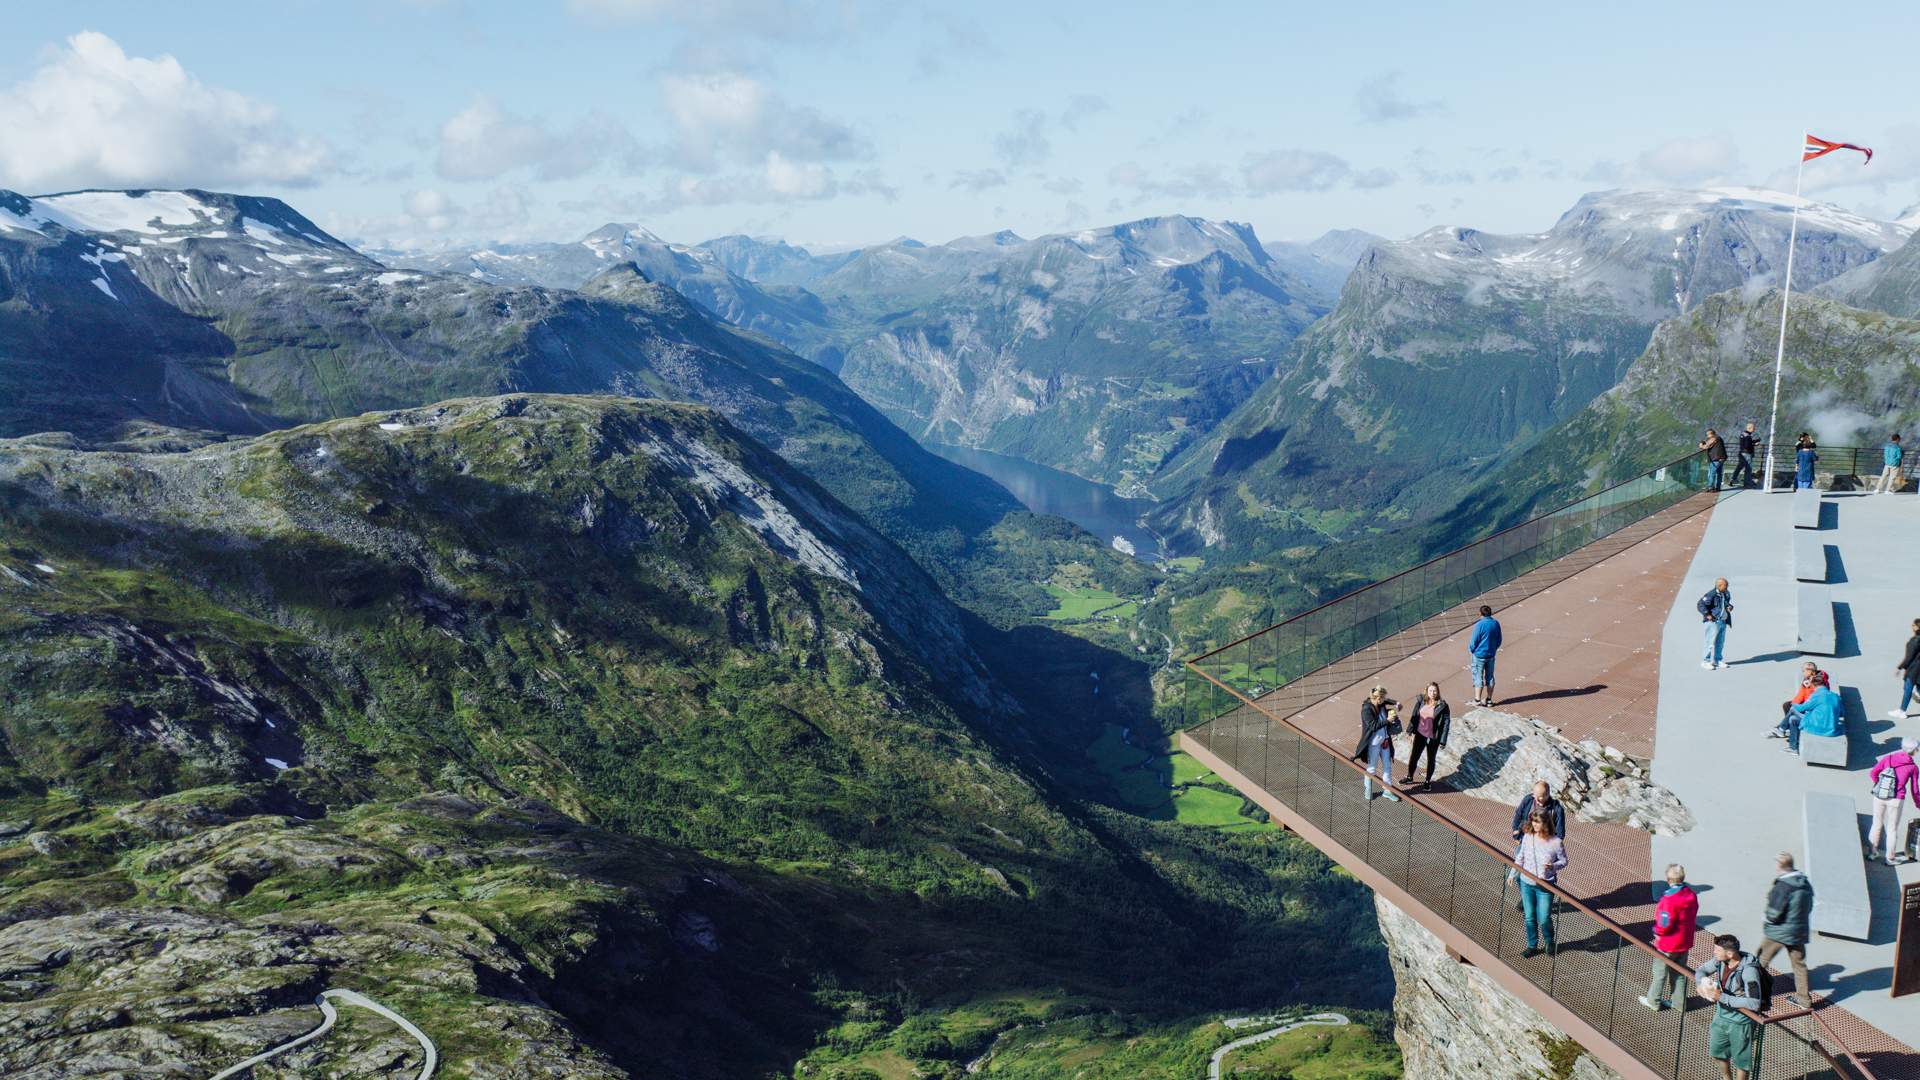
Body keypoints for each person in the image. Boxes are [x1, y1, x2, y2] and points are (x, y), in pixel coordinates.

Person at [1699, 934, 1768, 1080]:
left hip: (1741, 1023)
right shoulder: (1720, 961)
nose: (1714, 952)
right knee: (1716, 1053)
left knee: (1741, 1062)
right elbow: (1702, 970)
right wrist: (1701, 983)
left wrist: (1721, 997)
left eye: (1717, 950)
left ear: (1730, 954)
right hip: (1721, 1017)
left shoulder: (1749, 971)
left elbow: (1754, 1003)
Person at [1639, 862, 1699, 1012]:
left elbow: (1664, 924)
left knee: (1660, 972)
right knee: (1679, 973)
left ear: (1668, 879)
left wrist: (1656, 931)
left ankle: (1653, 1001)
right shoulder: (1691, 895)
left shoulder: (1668, 899)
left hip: (1668, 943)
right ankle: (1679, 1003)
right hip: (1684, 941)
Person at [1757, 852, 1813, 999]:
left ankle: (1752, 992)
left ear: (1779, 865)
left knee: (1760, 961)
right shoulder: (1804, 883)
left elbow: (1773, 914)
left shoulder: (1783, 886)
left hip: (1779, 932)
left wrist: (1766, 918)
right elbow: (1809, 906)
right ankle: (1803, 999)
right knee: (1799, 965)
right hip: (1798, 932)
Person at [1513, 809, 1566, 958]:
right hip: (1526, 883)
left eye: (1538, 822)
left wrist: (1553, 866)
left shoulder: (1556, 842)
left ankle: (1549, 942)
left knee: (1544, 917)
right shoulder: (1528, 837)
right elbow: (1520, 856)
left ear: (1546, 823)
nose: (1535, 824)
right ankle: (1532, 945)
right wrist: (1512, 873)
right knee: (1529, 917)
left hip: (1545, 886)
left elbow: (1564, 861)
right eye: (1533, 821)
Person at [1867, 738, 1920, 864]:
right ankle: (1890, 858)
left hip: (1879, 796)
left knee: (1876, 824)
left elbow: (1873, 773)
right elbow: (1915, 789)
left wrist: (1880, 785)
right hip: (1896, 800)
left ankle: (1873, 853)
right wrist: (1918, 804)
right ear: (1914, 751)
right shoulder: (1913, 767)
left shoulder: (1889, 758)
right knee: (1892, 829)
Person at [1353, 685, 1401, 802]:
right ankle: (1368, 788)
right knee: (1372, 768)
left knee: (1387, 766)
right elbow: (1373, 726)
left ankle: (1387, 791)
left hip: (1385, 741)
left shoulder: (1381, 704)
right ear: (1378, 698)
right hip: (1373, 743)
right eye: (1382, 698)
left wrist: (1396, 703)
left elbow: (1387, 700)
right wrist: (1387, 720)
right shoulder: (1366, 710)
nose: (1384, 701)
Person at [1403, 681, 1451, 789]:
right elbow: (1414, 715)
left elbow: (1446, 723)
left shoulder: (1443, 705)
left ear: (1438, 692)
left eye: (1435, 691)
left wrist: (1443, 740)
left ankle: (1427, 781)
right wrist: (1410, 731)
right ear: (1426, 691)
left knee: (1431, 759)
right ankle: (1410, 777)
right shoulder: (1421, 701)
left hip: (1433, 737)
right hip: (1420, 734)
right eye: (1430, 691)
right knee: (1414, 756)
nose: (1432, 693)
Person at [1779, 677, 1841, 755]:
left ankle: (1791, 745)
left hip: (1818, 727)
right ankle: (1783, 731)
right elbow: (1842, 713)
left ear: (1813, 685)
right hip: (1832, 728)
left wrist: (1793, 704)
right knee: (1793, 718)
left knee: (1793, 712)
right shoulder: (1835, 696)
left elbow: (1802, 708)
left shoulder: (1817, 695)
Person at [1769, 662, 1826, 734]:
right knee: (1787, 705)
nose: (1803, 672)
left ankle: (1783, 728)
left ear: (1810, 671)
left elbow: (1813, 697)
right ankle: (1787, 726)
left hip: (1813, 706)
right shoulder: (1808, 679)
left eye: (1804, 671)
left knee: (1792, 708)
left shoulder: (1818, 681)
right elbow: (1801, 694)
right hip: (1807, 701)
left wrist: (1796, 704)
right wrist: (1794, 703)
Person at [1469, 604, 1502, 706]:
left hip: (1479, 655)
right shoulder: (1495, 623)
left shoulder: (1479, 625)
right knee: (1490, 677)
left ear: (1480, 613)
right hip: (1491, 655)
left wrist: (1472, 650)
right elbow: (1499, 639)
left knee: (1478, 676)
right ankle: (1489, 700)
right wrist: (1494, 649)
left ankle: (1477, 700)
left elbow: (1473, 641)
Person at [1698, 577, 1733, 670]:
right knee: (1709, 642)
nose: (1727, 587)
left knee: (1720, 642)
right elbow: (1700, 604)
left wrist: (1729, 606)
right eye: (1726, 585)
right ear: (1719, 585)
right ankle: (1705, 661)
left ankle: (1717, 660)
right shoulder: (1711, 594)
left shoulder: (1726, 593)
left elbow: (1726, 603)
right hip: (1713, 622)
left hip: (1723, 621)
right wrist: (1707, 614)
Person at [1892, 618, 1920, 720]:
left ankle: (1902, 711)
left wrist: (1899, 667)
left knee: (1908, 688)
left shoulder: (1915, 641)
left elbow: (1909, 657)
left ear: (1917, 627)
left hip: (1914, 669)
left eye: (1913, 625)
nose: (1912, 626)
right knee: (1917, 689)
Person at [1730, 422, 1759, 489]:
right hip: (1747, 454)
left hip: (1742, 453)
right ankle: (1747, 484)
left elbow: (1745, 443)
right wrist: (1755, 444)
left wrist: (1753, 441)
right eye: (1753, 428)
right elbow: (1747, 445)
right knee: (1748, 469)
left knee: (1739, 467)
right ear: (1750, 428)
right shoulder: (1748, 436)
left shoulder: (1743, 434)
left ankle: (1733, 479)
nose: (1754, 429)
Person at [1700, 427, 1728, 492]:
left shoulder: (1715, 438)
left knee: (1712, 473)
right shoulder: (1718, 438)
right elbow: (1709, 445)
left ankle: (1710, 487)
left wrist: (1701, 445)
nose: (1707, 436)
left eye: (1708, 434)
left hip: (1716, 459)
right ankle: (1718, 487)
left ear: (1711, 434)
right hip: (1721, 458)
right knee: (1719, 473)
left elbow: (1706, 446)